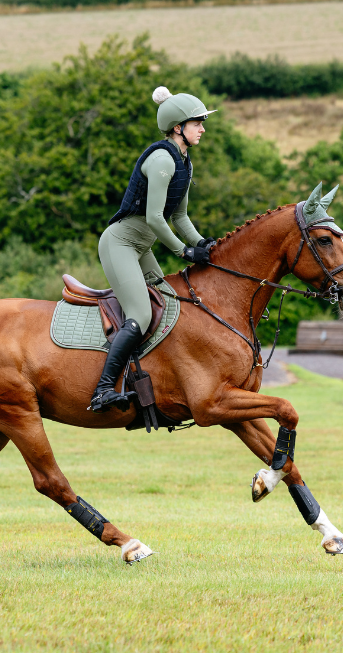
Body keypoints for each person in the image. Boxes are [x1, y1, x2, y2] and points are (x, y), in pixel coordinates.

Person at [89, 86, 217, 413]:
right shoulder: (162, 159)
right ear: (178, 127)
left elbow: (180, 216)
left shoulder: (185, 162)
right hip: (121, 243)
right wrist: (184, 253)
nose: (203, 128)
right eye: (197, 123)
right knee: (142, 314)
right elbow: (155, 218)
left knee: (171, 305)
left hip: (141, 246)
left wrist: (202, 243)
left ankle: (156, 382)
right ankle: (103, 390)